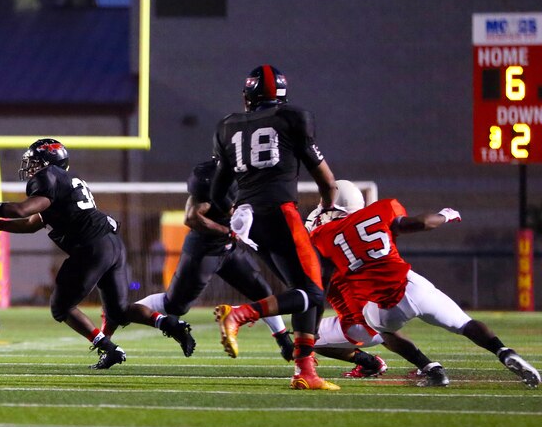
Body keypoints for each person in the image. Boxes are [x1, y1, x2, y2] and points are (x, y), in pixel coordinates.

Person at [0, 138, 195, 369]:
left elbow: (21, 210)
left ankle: (109, 348)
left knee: (61, 307)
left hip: (91, 247)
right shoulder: (67, 182)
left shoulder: (49, 177)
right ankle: (170, 325)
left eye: (34, 162)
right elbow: (30, 223)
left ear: (47, 162)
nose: (31, 167)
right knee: (119, 311)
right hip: (113, 244)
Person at [308, 196, 540, 389]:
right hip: (412, 286)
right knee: (465, 324)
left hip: (383, 306)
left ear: (335, 209)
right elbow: (421, 223)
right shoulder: (380, 210)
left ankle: (431, 370)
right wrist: (446, 214)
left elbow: (324, 279)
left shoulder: (324, 237)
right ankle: (503, 351)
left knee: (384, 332)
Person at [210, 64, 340, 390]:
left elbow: (218, 190)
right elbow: (327, 180)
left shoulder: (227, 126)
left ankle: (305, 372)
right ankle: (240, 314)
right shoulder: (292, 118)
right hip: (280, 212)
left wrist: (231, 216)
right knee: (312, 292)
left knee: (303, 293)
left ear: (248, 97)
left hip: (247, 220)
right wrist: (326, 206)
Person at [123, 157, 292, 359]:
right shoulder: (212, 177)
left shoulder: (250, 177)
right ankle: (122, 313)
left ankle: (285, 342)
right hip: (205, 250)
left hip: (229, 249)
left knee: (263, 293)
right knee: (175, 305)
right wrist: (226, 230)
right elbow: (191, 217)